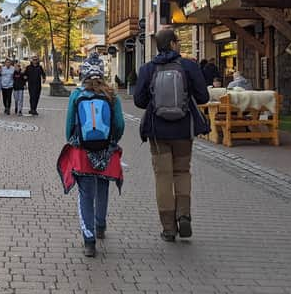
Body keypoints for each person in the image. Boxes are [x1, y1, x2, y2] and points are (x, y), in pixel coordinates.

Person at [134, 29, 209, 242]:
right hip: (184, 130)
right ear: (174, 43)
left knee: (163, 177)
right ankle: (183, 214)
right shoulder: (189, 66)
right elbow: (203, 96)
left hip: (158, 132)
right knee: (182, 172)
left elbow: (139, 101)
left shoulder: (148, 69)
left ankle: (168, 227)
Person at [59, 57, 125, 257]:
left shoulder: (77, 95)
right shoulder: (112, 95)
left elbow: (69, 125)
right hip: (106, 151)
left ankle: (89, 241)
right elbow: (120, 125)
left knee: (86, 194)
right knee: (103, 187)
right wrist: (111, 141)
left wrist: (74, 140)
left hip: (82, 152)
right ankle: (100, 225)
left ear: (83, 73)